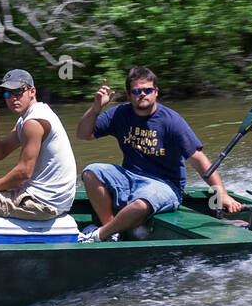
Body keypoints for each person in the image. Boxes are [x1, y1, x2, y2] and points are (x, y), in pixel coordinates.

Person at [75, 66, 241, 242]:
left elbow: (199, 160)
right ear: (129, 94)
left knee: (141, 203)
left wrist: (220, 192)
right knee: (91, 172)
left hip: (165, 185)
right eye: (137, 90)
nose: (142, 94)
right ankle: (111, 230)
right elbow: (83, 134)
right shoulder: (119, 113)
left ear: (156, 92)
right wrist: (95, 108)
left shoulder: (171, 121)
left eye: (147, 90)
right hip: (130, 176)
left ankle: (99, 235)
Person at [0, 69, 76, 241]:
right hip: (46, 197)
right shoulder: (26, 119)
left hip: (43, 203)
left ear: (32, 91)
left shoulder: (34, 122)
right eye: (7, 93)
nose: (12, 98)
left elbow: (24, 173)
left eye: (18, 91)